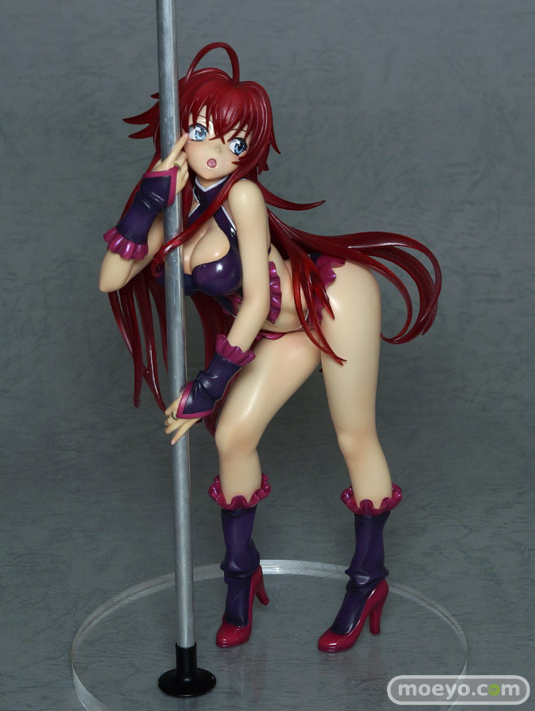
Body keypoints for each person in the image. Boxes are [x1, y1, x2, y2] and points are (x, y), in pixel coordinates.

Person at [99, 42, 441, 653]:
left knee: (353, 434)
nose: (214, 152)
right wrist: (147, 201)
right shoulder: (173, 210)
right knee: (233, 438)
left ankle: (368, 580)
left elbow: (255, 301)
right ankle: (241, 577)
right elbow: (111, 279)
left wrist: (208, 386)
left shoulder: (242, 198)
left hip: (333, 303)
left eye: (233, 142)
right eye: (201, 132)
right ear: (178, 132)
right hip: (284, 334)